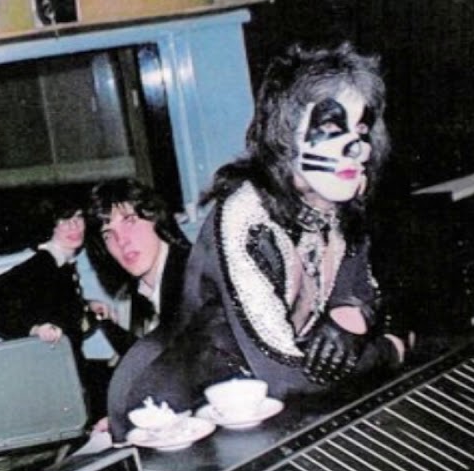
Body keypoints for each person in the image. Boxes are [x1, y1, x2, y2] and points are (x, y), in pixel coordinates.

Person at [117, 43, 408, 433]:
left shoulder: (331, 201)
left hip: (251, 401)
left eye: (360, 131)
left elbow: (356, 294)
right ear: (284, 137)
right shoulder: (245, 221)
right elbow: (285, 376)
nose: (358, 149)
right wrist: (390, 350)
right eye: (330, 130)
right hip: (168, 408)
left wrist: (351, 327)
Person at [0, 206, 119, 421]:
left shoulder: (61, 262)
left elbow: (54, 303)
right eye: (63, 220)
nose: (74, 226)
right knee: (121, 387)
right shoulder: (42, 264)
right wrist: (33, 329)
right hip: (55, 377)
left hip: (68, 366)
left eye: (78, 217)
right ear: (50, 227)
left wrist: (87, 305)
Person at [82, 178, 192, 442]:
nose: (121, 241)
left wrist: (127, 419)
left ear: (155, 218)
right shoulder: (141, 293)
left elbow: (190, 377)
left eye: (129, 221)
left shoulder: (192, 276)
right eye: (108, 234)